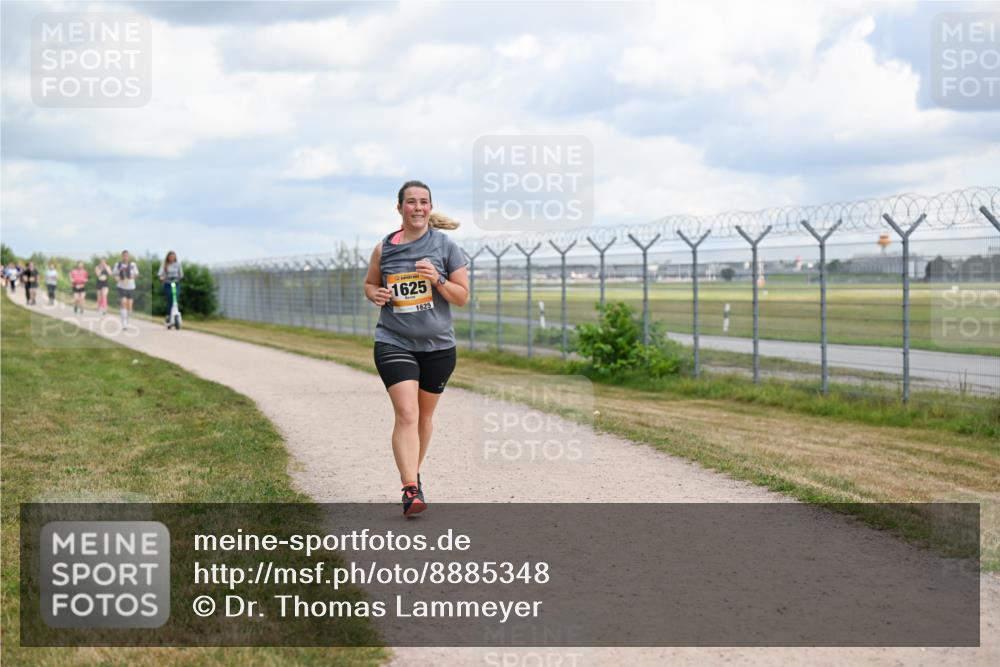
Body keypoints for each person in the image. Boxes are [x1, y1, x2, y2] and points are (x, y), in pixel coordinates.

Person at [363, 180, 469, 517]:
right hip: (394, 340)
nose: (418, 207)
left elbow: (462, 297)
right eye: (411, 202)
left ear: (430, 207)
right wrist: (375, 294)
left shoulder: (445, 246)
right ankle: (410, 489)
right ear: (400, 208)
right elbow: (370, 283)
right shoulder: (384, 248)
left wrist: (437, 278)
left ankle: (413, 476)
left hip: (438, 346)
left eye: (424, 202)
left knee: (424, 417)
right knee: (406, 413)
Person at [113, 250, 139, 328]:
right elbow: (114, 274)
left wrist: (131, 277)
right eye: (124, 255)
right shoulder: (118, 264)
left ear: (129, 256)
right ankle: (123, 322)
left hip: (131, 286)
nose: (125, 257)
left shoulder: (133, 265)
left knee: (129, 305)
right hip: (121, 286)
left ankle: (127, 319)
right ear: (122, 256)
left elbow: (136, 274)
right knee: (123, 303)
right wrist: (117, 278)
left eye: (127, 255)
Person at [157, 250, 184, 324]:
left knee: (175, 298)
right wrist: (162, 278)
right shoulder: (164, 264)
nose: (172, 258)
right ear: (168, 257)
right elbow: (160, 274)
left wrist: (179, 278)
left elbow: (181, 274)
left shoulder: (178, 264)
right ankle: (169, 315)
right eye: (170, 256)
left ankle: (175, 313)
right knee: (170, 299)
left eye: (173, 256)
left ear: (175, 257)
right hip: (167, 283)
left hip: (176, 283)